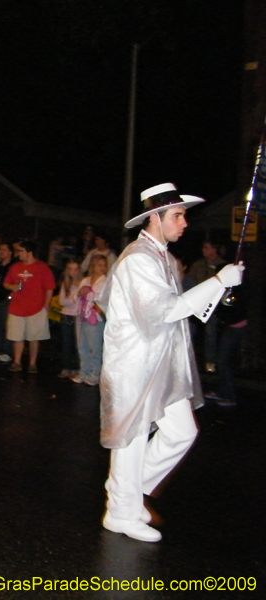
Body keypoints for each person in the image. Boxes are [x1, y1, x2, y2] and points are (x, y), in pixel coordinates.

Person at [99, 183, 244, 543]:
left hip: (161, 363)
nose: (184, 223)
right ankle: (120, 512)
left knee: (182, 431)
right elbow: (167, 311)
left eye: (183, 215)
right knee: (131, 439)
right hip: (134, 364)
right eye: (178, 215)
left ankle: (126, 488)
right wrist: (217, 281)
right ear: (155, 218)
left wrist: (219, 287)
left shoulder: (161, 256)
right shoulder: (138, 259)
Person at [3, 241, 56, 373]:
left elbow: (49, 288)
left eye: (21, 251)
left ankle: (32, 363)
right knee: (17, 337)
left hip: (36, 308)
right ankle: (17, 362)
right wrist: (11, 286)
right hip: (17, 307)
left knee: (34, 337)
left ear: (29, 252)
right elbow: (5, 283)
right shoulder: (15, 267)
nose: (18, 254)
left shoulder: (42, 267)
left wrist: (46, 306)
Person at [187, 241, 227, 373]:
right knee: (190, 331)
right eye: (203, 247)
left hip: (212, 304)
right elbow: (190, 281)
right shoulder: (198, 264)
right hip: (197, 302)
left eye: (207, 248)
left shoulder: (222, 265)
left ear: (214, 250)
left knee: (210, 332)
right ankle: (187, 359)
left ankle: (210, 362)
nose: (204, 250)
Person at [71, 255, 108, 386]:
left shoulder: (106, 282)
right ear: (93, 266)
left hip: (95, 318)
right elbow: (75, 297)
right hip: (81, 316)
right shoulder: (85, 280)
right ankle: (84, 372)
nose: (102, 268)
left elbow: (106, 299)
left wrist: (92, 295)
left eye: (104, 265)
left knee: (95, 347)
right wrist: (80, 293)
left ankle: (95, 374)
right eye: (100, 265)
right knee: (82, 346)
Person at [54, 259, 81, 377]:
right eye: (70, 269)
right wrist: (75, 298)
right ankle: (67, 367)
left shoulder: (83, 283)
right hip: (67, 316)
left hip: (79, 316)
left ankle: (76, 367)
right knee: (67, 343)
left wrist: (73, 299)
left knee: (78, 343)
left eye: (75, 269)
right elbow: (61, 301)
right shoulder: (66, 284)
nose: (73, 272)